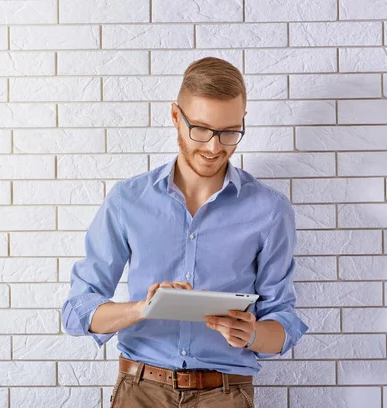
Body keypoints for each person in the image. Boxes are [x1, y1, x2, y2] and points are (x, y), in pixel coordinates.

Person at [62, 57, 309, 408]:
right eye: (201, 129)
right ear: (177, 118)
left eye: (229, 132)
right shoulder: (128, 200)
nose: (213, 147)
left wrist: (252, 333)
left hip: (226, 394)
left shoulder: (269, 211)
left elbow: (283, 320)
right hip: (140, 391)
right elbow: (77, 311)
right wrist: (142, 309)